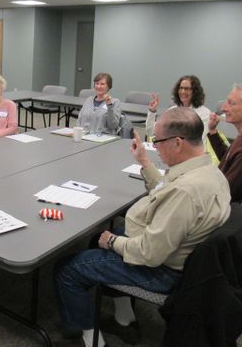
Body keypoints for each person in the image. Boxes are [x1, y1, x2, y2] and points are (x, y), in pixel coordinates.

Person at [54, 107, 231, 347]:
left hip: (162, 269)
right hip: (178, 256)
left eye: (157, 141)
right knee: (96, 238)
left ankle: (90, 337)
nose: (154, 146)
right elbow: (165, 194)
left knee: (66, 269)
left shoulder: (185, 192)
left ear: (178, 143)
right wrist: (145, 162)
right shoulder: (208, 171)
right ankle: (124, 318)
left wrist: (112, 242)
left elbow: (149, 253)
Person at [146, 75, 211, 143]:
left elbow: (199, 142)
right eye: (181, 88)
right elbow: (151, 132)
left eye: (187, 89)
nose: (183, 91)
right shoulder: (172, 110)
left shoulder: (204, 113)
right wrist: (152, 111)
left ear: (195, 91)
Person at [77, 72, 132, 137]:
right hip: (84, 137)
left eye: (102, 84)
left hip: (102, 139)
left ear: (108, 86)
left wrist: (109, 106)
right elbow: (79, 120)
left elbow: (113, 125)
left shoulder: (115, 102)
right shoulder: (89, 100)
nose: (98, 86)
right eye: (96, 84)